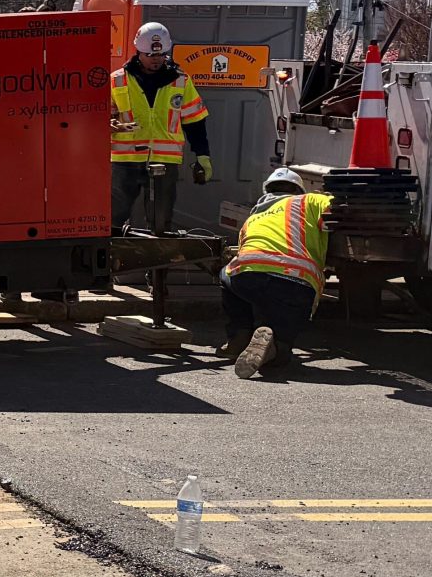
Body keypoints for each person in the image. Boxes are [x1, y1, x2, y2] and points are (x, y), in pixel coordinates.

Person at [221, 167, 333, 381]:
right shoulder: (309, 201)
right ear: (298, 190)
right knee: (285, 331)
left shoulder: (253, 218)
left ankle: (239, 336)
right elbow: (341, 207)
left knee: (227, 274)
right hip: (299, 282)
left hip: (249, 276)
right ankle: (275, 348)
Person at [109, 21, 212, 234]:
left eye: (161, 55)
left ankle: (156, 267)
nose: (156, 60)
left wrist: (203, 155)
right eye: (150, 55)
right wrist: (108, 125)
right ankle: (109, 263)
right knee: (113, 220)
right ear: (139, 52)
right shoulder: (117, 80)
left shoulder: (180, 81)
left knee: (160, 224)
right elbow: (97, 117)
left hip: (164, 161)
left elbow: (194, 121)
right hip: (124, 161)